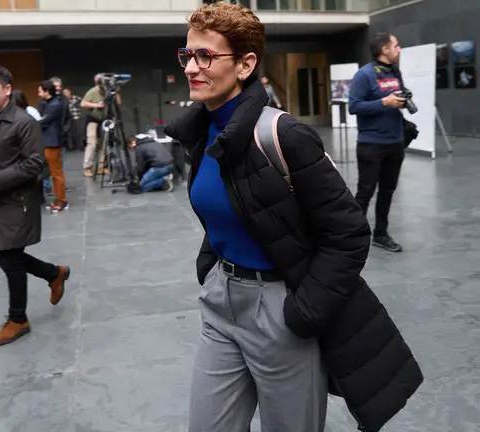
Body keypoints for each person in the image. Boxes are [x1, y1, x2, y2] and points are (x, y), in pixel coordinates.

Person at [164, 4, 421, 431]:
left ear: (245, 65)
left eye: (205, 56)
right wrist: (211, 270)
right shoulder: (200, 132)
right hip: (221, 303)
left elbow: (349, 233)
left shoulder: (284, 135)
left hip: (280, 311)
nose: (192, 67)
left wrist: (302, 314)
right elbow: (237, 207)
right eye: (187, 55)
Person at [0, 63, 70, 348]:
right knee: (1, 257)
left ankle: (18, 319)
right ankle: (53, 273)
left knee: (8, 258)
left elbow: (34, 164)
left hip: (17, 201)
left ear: (7, 89)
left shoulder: (24, 122)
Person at [348, 31, 407, 253]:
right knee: (365, 192)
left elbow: (396, 97)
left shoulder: (394, 72)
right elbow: (354, 106)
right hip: (371, 144)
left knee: (387, 191)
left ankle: (381, 234)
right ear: (385, 49)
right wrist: (384, 102)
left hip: (395, 142)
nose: (399, 49)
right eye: (396, 45)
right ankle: (353, 237)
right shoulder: (364, 75)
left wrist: (401, 100)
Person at [38, 80, 68, 213]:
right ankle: (58, 199)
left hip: (52, 142)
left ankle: (61, 200)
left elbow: (45, 121)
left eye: (40, 91)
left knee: (56, 173)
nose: (39, 94)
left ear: (46, 92)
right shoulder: (51, 103)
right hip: (50, 141)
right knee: (55, 173)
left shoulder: (54, 104)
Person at [81, 75, 115, 177]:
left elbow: (118, 102)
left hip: (104, 120)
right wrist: (96, 105)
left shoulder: (107, 92)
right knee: (92, 143)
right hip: (92, 119)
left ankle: (101, 166)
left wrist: (116, 92)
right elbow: (83, 103)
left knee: (104, 143)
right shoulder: (92, 91)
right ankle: (87, 167)